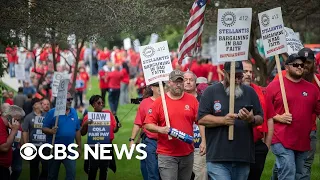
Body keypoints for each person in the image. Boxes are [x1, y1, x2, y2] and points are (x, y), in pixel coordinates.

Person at [198, 61, 264, 180]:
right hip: (218, 157)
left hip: (243, 157)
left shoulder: (250, 92)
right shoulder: (211, 92)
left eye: (240, 76)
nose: (237, 80)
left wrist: (251, 119)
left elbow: (260, 118)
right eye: (233, 76)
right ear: (224, 73)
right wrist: (224, 120)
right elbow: (202, 119)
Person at [267, 53, 320, 180]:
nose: (300, 67)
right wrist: (278, 117)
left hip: (302, 140)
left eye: (302, 65)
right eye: (295, 64)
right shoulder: (274, 86)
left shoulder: (312, 89)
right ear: (286, 67)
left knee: (299, 175)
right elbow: (263, 111)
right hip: (281, 138)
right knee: (288, 170)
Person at [145, 70, 199, 180]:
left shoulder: (192, 100)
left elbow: (200, 121)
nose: (178, 84)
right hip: (167, 154)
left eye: (180, 82)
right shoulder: (160, 102)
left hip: (187, 152)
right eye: (175, 82)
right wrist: (161, 129)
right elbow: (147, 124)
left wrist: (205, 141)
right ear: (169, 83)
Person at [242, 60, 274, 180]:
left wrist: (266, 145)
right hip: (236, 145)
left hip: (257, 145)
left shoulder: (262, 92)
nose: (249, 74)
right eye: (245, 71)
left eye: (250, 71)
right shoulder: (229, 92)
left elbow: (269, 117)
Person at [42, 92, 82, 180]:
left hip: (70, 149)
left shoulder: (74, 112)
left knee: (71, 174)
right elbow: (44, 128)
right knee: (52, 175)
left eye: (71, 99)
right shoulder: (52, 112)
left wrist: (79, 147)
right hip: (55, 148)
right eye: (68, 99)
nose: (70, 101)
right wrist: (51, 131)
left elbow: (77, 130)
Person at [81, 95, 119, 180]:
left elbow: (114, 130)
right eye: (99, 103)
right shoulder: (88, 117)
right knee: (92, 169)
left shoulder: (108, 114)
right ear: (93, 105)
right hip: (93, 147)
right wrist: (85, 124)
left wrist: (117, 127)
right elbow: (82, 133)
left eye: (102, 102)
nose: (101, 104)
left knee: (104, 169)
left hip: (106, 145)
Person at [129, 83, 162, 180]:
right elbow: (138, 123)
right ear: (152, 87)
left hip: (167, 142)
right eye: (157, 85)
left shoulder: (168, 101)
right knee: (152, 172)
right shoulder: (145, 103)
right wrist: (132, 140)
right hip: (150, 141)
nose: (161, 87)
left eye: (163, 85)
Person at [183, 71, 207, 180]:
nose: (188, 82)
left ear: (195, 82)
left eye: (191, 80)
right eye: (185, 80)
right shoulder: (176, 99)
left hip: (200, 146)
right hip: (181, 146)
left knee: (202, 176)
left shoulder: (204, 99)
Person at [22, 98, 48, 180]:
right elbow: (25, 131)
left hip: (45, 146)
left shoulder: (47, 116)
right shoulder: (28, 117)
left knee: (46, 167)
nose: (41, 105)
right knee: (33, 167)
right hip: (33, 146)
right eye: (39, 103)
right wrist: (26, 145)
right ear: (34, 106)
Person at [0, 105, 24, 180]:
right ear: (10, 118)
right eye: (17, 120)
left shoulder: (5, 126)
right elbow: (4, 148)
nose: (18, 123)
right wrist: (14, 131)